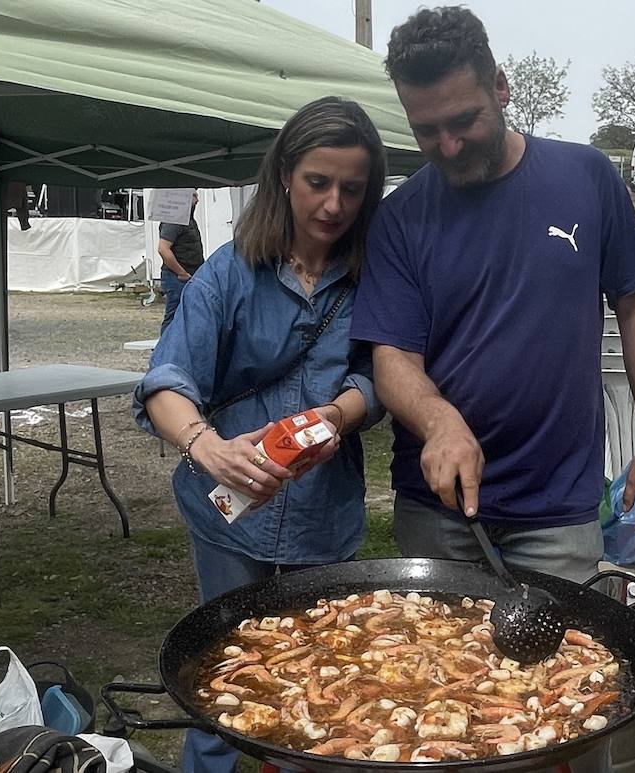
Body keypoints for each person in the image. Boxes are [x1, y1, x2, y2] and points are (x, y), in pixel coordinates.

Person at [352, 5, 635, 587]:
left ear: (500, 87)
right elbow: (392, 357)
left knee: (559, 673)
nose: (448, 146)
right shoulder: (400, 218)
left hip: (557, 506)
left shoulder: (586, 176)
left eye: (464, 120)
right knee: (435, 675)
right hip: (438, 506)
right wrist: (439, 420)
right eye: (426, 129)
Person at [132, 96, 386, 773]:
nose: (334, 203)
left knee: (325, 685)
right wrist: (205, 445)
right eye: (318, 182)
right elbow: (166, 379)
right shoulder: (229, 270)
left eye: (352, 189)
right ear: (284, 177)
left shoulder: (374, 275)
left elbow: (379, 374)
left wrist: (340, 413)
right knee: (227, 674)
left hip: (321, 515)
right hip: (230, 517)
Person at [157, 192, 205, 333]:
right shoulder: (174, 220)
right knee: (173, 317)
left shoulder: (188, 220)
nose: (197, 200)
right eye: (194, 196)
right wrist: (181, 272)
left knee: (190, 317)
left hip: (190, 275)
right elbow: (163, 249)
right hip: (177, 278)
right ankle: (165, 351)